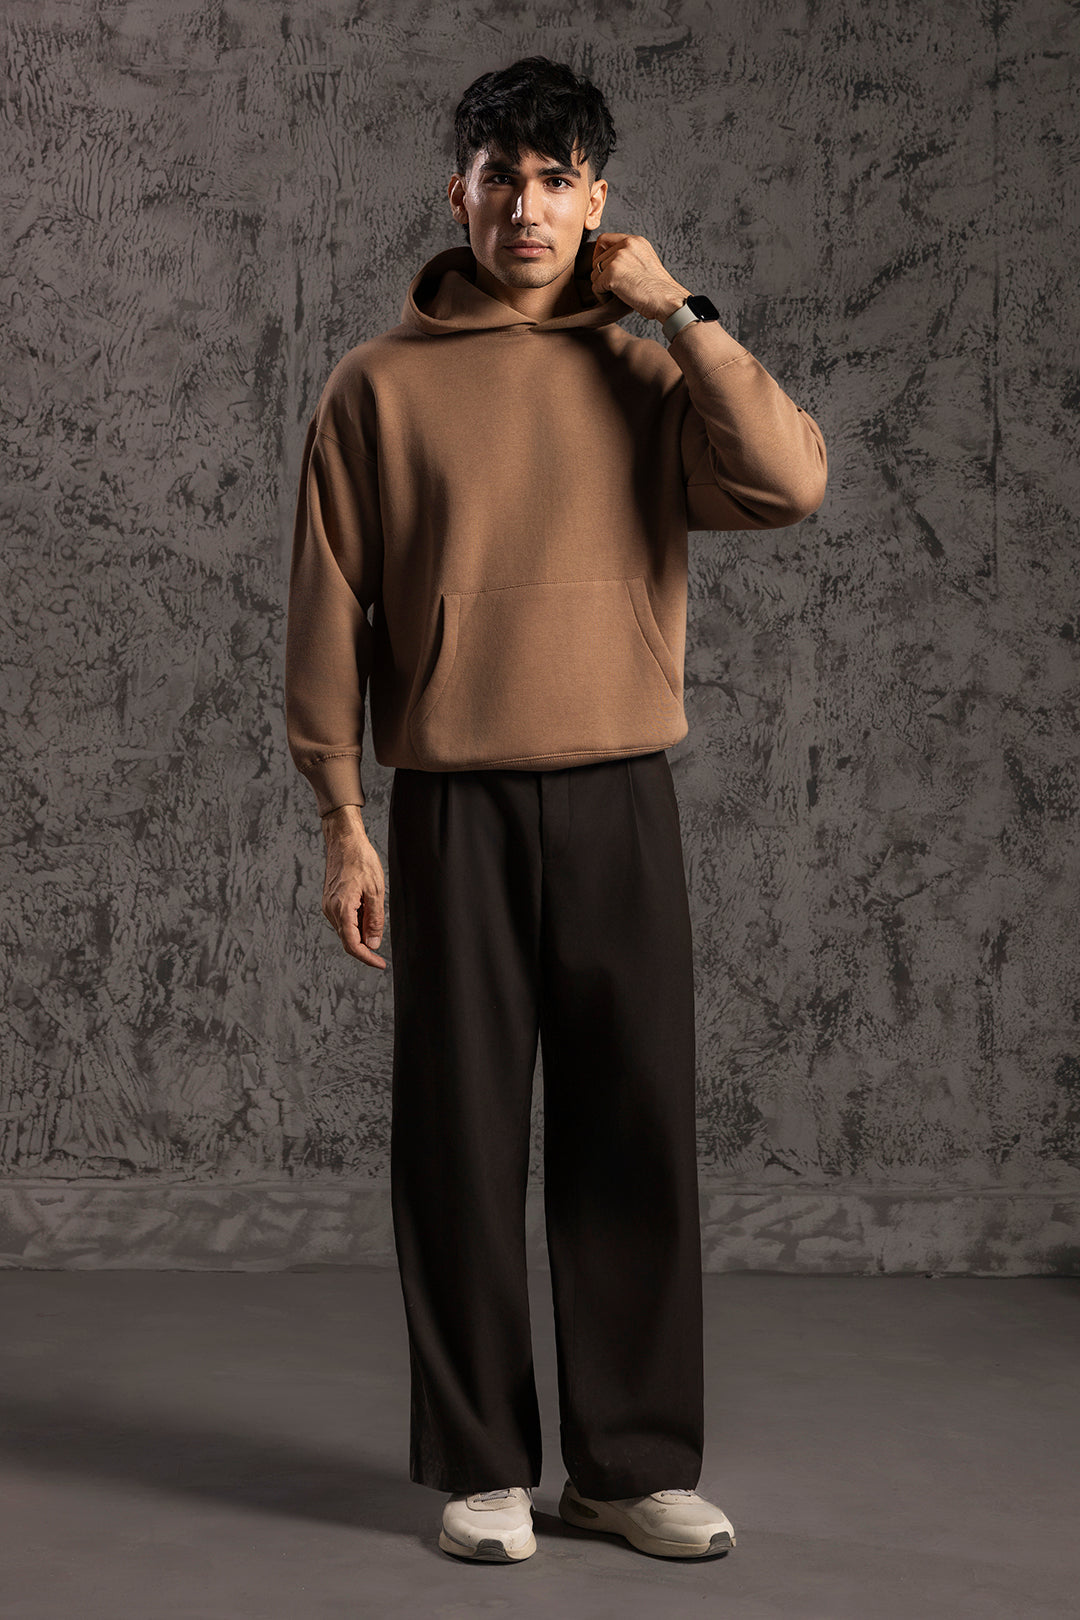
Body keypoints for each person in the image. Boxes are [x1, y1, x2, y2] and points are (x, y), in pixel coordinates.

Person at [285, 55, 827, 1565]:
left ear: (599, 203)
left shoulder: (647, 375)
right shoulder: (376, 387)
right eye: (500, 179)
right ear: (456, 194)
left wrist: (683, 313)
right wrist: (341, 817)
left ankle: (628, 1467)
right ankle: (481, 1465)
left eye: (557, 180)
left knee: (633, 1132)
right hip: (450, 804)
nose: (526, 208)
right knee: (459, 1139)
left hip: (619, 795)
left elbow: (789, 483)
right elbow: (328, 612)